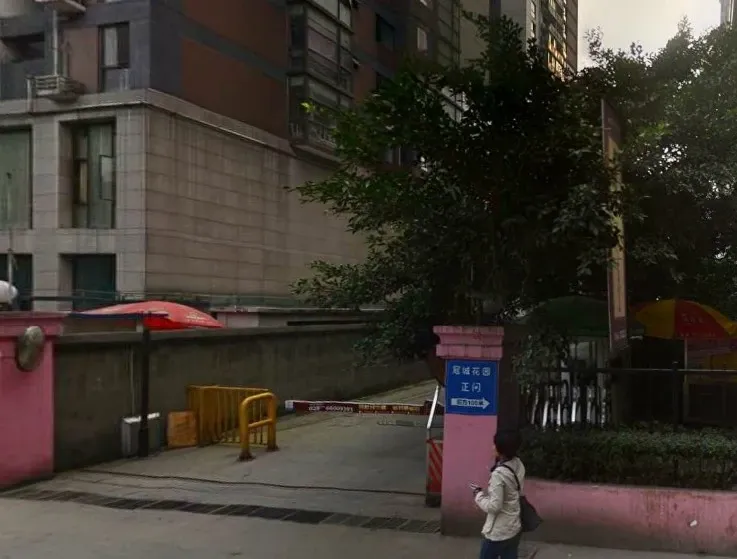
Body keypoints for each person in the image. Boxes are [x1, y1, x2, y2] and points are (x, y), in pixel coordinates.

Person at [472, 429, 526, 559]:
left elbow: (494, 506)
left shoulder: (499, 475)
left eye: (495, 445)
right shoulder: (518, 464)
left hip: (498, 533)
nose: (493, 447)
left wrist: (478, 496)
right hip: (513, 526)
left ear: (501, 449)